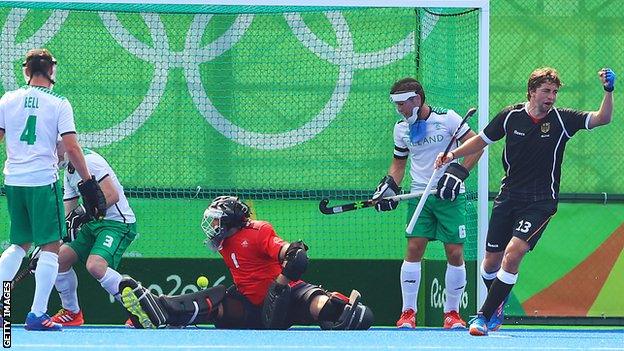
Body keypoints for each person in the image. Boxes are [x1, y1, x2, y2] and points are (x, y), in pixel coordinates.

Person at [435, 67, 616, 336]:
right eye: (546, 91)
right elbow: (481, 141)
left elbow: (603, 118)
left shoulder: (563, 120)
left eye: (555, 92)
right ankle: (498, 304)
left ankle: (483, 316)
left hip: (541, 201)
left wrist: (608, 91)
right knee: (490, 264)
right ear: (531, 91)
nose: (551, 97)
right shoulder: (510, 116)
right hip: (508, 197)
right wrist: (451, 155)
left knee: (513, 253)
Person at [118, 196, 374, 330]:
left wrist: (281, 281)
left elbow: (292, 254)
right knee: (216, 301)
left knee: (323, 307)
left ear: (229, 219)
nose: (213, 226)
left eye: (217, 220)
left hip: (289, 295)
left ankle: (341, 308)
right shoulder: (223, 242)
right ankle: (157, 310)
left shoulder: (258, 231)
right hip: (251, 306)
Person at [0, 48, 106, 331]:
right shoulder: (59, 103)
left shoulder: (7, 99)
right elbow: (70, 147)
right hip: (42, 181)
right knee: (51, 246)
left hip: (13, 180)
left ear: (26, 71)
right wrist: (88, 182)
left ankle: (2, 308)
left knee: (18, 244)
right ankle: (37, 314)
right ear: (51, 71)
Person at [372, 78, 482, 329]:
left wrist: (458, 173)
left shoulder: (449, 119)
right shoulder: (400, 128)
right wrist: (390, 185)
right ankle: (407, 312)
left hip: (449, 196)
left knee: (454, 252)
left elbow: (476, 147)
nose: (399, 109)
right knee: (414, 248)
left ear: (417, 99)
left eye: (402, 104)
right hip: (419, 194)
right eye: (396, 104)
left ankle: (452, 314)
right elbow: (398, 164)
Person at [48, 145, 137, 326]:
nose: (53, 156)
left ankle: (141, 308)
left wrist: (80, 214)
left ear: (64, 144)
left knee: (95, 266)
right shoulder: (69, 172)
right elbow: (69, 214)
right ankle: (72, 313)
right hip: (93, 223)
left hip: (117, 223)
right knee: (57, 259)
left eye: (54, 148)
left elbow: (112, 196)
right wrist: (49, 249)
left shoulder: (90, 162)